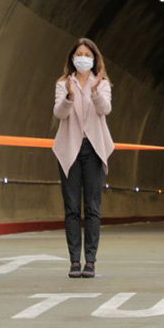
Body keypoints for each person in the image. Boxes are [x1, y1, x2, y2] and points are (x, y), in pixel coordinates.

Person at [52, 38, 113, 279]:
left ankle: (91, 261)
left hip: (94, 149)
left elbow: (105, 110)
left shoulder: (103, 83)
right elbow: (59, 113)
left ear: (94, 58)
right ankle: (74, 261)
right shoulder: (63, 83)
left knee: (93, 208)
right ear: (72, 58)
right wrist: (68, 96)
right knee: (72, 208)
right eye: (79, 54)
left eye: (87, 54)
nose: (83, 58)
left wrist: (96, 92)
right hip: (70, 149)